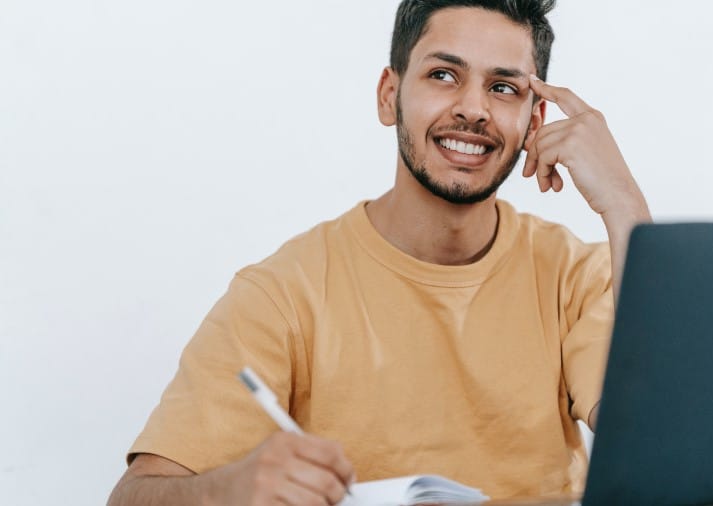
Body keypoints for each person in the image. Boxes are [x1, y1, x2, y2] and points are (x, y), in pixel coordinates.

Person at [108, 1, 651, 504]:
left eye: (504, 88)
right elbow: (135, 495)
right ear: (389, 96)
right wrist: (229, 489)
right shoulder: (283, 294)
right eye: (443, 75)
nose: (473, 109)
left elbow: (668, 440)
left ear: (534, 121)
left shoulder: (581, 278)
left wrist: (625, 207)